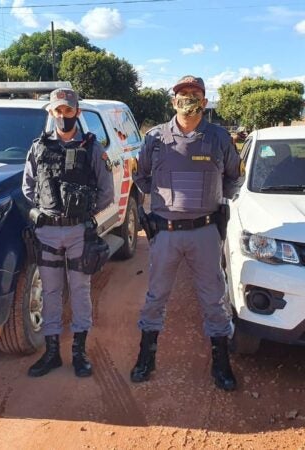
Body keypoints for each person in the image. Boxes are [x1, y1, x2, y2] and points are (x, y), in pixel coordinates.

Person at [131, 75, 244, 391]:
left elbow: (234, 178)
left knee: (214, 299)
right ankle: (146, 357)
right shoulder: (154, 139)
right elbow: (142, 177)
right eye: (182, 95)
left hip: (205, 232)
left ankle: (221, 364)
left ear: (205, 102)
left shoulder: (220, 138)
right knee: (156, 297)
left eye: (195, 94)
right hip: (166, 233)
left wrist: (216, 201)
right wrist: (164, 204)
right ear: (173, 102)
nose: (188, 99)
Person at [22, 88, 114, 378]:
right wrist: (46, 211)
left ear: (77, 112)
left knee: (80, 292)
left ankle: (79, 352)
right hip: (47, 233)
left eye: (68, 111)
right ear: (51, 112)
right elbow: (28, 187)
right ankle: (51, 353)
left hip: (78, 233)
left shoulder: (92, 148)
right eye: (58, 111)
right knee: (50, 293)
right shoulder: (38, 147)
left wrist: (83, 215)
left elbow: (106, 192)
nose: (63, 116)